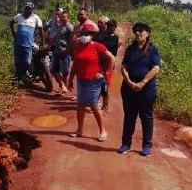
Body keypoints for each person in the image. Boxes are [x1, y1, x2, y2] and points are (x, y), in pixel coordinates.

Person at [67, 21, 115, 141]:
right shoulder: (78, 47)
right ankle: (79, 130)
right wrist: (70, 78)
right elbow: (75, 64)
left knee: (94, 106)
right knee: (80, 105)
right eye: (82, 33)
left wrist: (104, 73)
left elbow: (111, 58)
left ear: (92, 35)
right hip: (81, 80)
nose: (84, 35)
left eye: (87, 33)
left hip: (94, 81)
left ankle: (103, 131)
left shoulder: (97, 46)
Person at [118, 22, 161, 156]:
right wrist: (129, 82)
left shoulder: (152, 50)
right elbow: (124, 66)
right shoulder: (130, 49)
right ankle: (126, 144)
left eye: (140, 31)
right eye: (135, 31)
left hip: (147, 90)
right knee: (129, 117)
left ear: (147, 33)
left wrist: (143, 82)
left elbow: (155, 68)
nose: (137, 33)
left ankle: (146, 146)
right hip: (128, 88)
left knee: (146, 117)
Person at [9, 2, 44, 83]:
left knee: (27, 63)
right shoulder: (19, 16)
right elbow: (11, 23)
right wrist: (13, 33)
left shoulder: (36, 18)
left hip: (28, 45)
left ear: (32, 9)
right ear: (24, 8)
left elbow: (41, 31)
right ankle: (18, 78)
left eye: (29, 8)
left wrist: (42, 43)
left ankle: (22, 74)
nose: (27, 9)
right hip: (18, 44)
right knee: (17, 62)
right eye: (26, 8)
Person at [95, 18, 120, 112]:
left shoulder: (114, 37)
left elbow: (106, 46)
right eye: (110, 26)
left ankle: (105, 106)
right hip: (100, 62)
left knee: (105, 86)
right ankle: (97, 102)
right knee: (97, 83)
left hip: (108, 63)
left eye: (113, 27)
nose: (112, 28)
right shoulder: (101, 34)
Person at [49, 9, 74, 94]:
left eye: (64, 17)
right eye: (61, 17)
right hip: (57, 51)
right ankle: (62, 85)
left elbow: (72, 40)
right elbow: (55, 37)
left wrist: (68, 50)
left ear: (68, 18)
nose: (62, 18)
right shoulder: (60, 26)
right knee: (53, 70)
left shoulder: (70, 27)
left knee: (65, 72)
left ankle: (62, 90)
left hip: (64, 53)